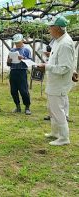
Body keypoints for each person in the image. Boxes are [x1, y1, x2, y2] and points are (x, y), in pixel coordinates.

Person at [37, 16, 76, 146]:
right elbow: (67, 62)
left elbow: (65, 67)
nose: (49, 30)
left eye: (51, 27)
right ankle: (55, 133)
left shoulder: (64, 43)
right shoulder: (59, 40)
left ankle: (64, 137)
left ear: (57, 28)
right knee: (52, 108)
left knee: (57, 110)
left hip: (59, 83)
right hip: (55, 81)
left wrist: (46, 66)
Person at [7, 33, 32, 115]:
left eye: (18, 42)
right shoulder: (12, 50)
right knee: (13, 91)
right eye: (16, 42)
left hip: (22, 71)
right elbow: (8, 64)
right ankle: (17, 106)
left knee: (24, 91)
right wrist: (9, 61)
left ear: (22, 41)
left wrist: (23, 58)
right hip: (13, 71)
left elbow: (30, 62)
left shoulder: (26, 50)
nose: (17, 44)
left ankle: (27, 106)